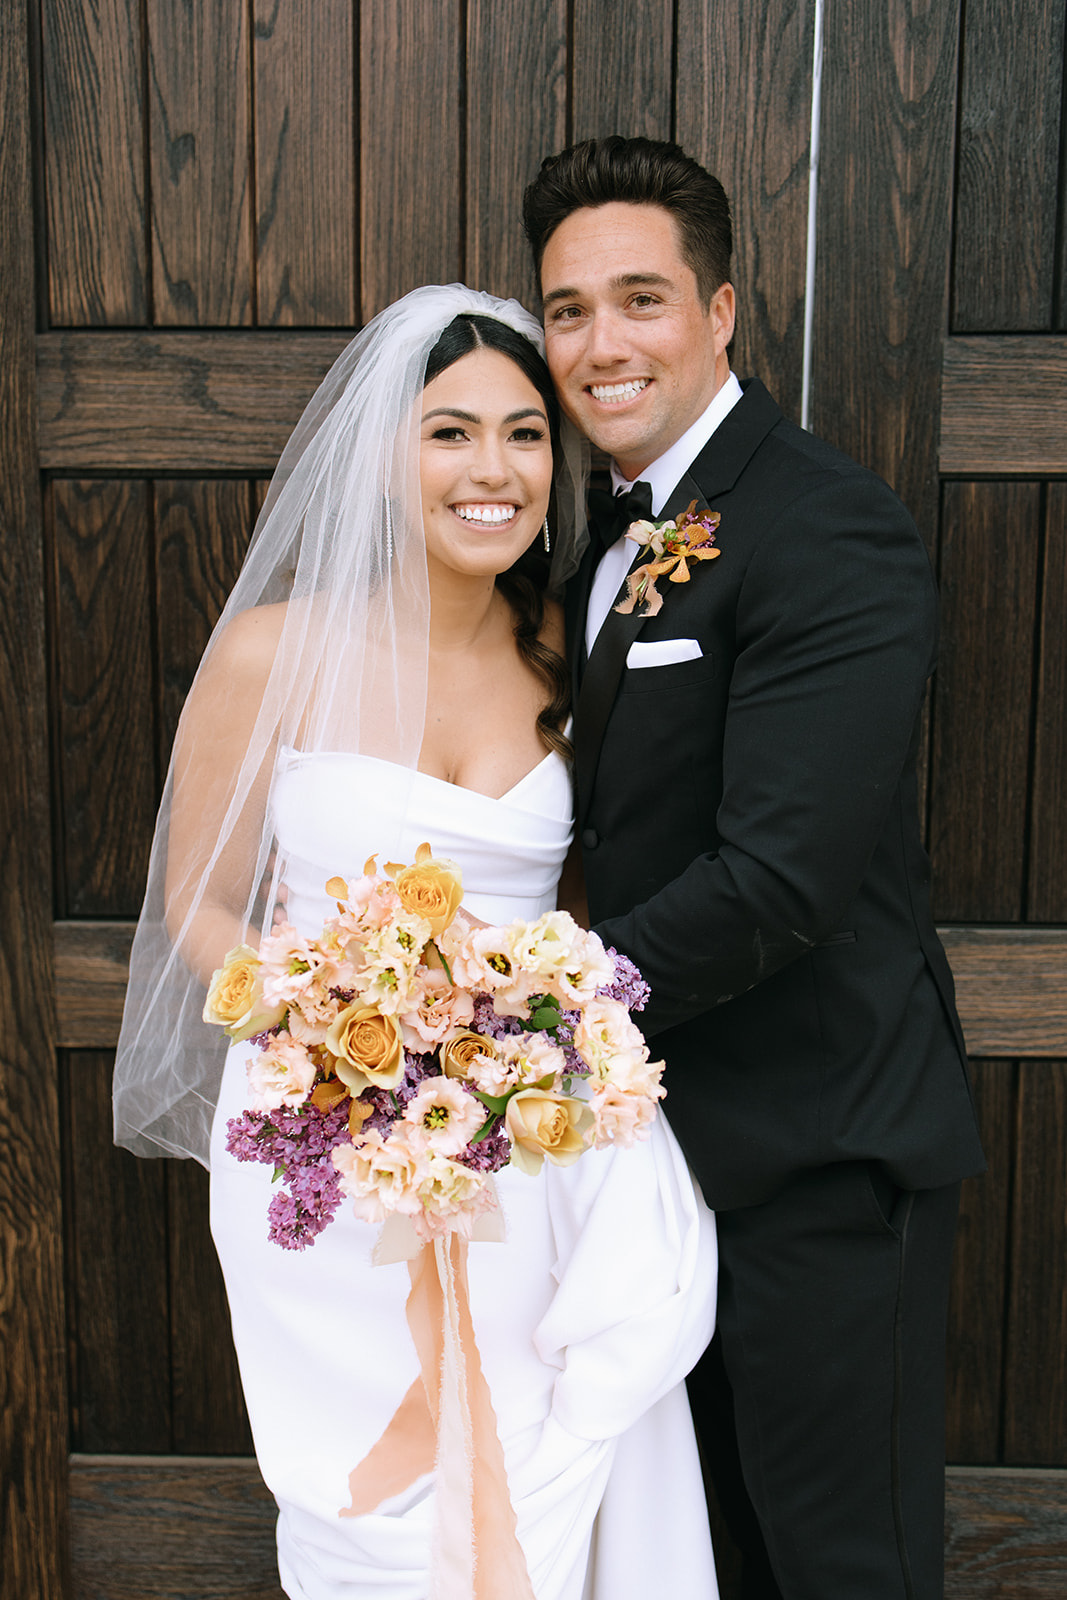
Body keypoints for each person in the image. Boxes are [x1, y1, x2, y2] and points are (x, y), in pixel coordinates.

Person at [112, 285, 719, 1600]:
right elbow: (195, 909)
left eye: (522, 434)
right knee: (377, 1500)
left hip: (539, 1126)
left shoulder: (575, 647)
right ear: (386, 457)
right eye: (449, 434)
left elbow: (603, 886)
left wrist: (512, 1045)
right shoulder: (273, 655)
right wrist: (341, 1040)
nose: (490, 471)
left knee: (546, 1451)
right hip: (327, 1123)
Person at [523, 137, 986, 1599]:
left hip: (819, 1163)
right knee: (703, 1561)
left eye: (640, 299)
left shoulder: (824, 526)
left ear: (722, 313)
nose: (601, 345)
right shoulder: (591, 537)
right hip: (655, 1170)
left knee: (840, 1566)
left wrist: (521, 1019)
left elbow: (781, 881)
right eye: (569, 309)